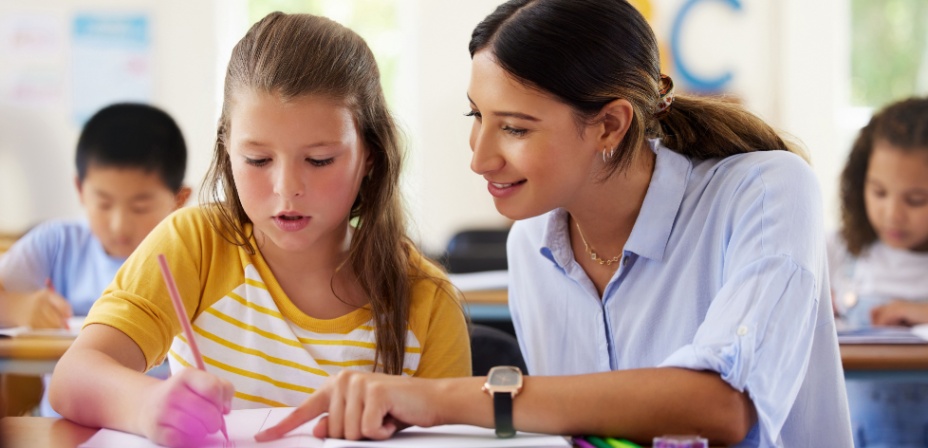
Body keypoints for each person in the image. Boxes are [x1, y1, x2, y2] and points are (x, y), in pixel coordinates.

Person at [255, 1, 853, 447]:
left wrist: (437, 399)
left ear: (610, 126)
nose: (479, 157)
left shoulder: (767, 190)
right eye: (477, 116)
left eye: (514, 127)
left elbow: (722, 407)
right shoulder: (534, 244)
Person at [48, 12, 470, 447]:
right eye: (258, 160)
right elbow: (73, 377)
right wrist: (147, 405)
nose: (287, 189)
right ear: (227, 150)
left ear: (371, 157)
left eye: (320, 160)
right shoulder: (197, 244)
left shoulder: (430, 304)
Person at [0, 102, 191, 417]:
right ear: (80, 189)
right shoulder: (58, 242)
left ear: (179, 199)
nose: (119, 224)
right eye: (103, 203)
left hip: (159, 424)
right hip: (66, 424)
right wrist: (19, 307)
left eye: (140, 206)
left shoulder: (191, 253)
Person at [827, 96, 928, 447]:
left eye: (916, 200)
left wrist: (919, 314)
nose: (892, 214)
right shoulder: (839, 251)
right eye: (879, 192)